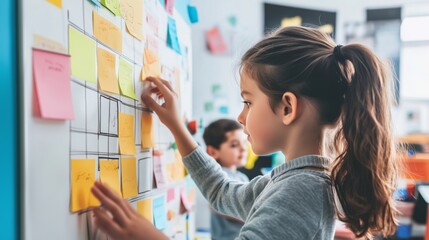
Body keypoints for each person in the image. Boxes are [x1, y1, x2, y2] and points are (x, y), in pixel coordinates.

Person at [91, 26, 399, 239]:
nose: (241, 116)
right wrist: (176, 126)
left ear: (288, 108)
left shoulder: (301, 191)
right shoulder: (292, 181)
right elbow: (222, 193)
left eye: (248, 102)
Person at [202, 119, 249, 240]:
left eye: (244, 142)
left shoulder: (242, 177)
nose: (243, 148)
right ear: (213, 152)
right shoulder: (216, 179)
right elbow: (229, 208)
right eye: (234, 145)